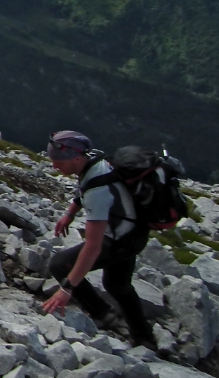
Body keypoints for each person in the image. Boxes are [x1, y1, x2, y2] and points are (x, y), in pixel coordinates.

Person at [41, 130, 157, 349]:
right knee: (117, 285)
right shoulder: (97, 161)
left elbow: (93, 247)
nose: (55, 167)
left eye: (59, 162)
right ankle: (144, 338)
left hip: (120, 239)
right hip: (134, 232)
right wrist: (71, 212)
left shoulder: (98, 190)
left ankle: (102, 315)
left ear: (75, 158)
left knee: (60, 264)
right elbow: (85, 187)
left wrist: (66, 289)